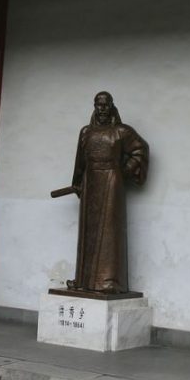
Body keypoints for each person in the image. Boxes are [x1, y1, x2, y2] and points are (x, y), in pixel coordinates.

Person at [66, 91, 149, 294]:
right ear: (94, 106)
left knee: (110, 229)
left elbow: (141, 149)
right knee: (88, 231)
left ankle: (109, 281)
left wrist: (125, 170)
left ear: (112, 105)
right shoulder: (86, 132)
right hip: (91, 181)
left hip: (112, 183)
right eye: (98, 104)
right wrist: (77, 182)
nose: (102, 109)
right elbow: (80, 161)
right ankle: (84, 281)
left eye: (105, 104)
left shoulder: (122, 132)